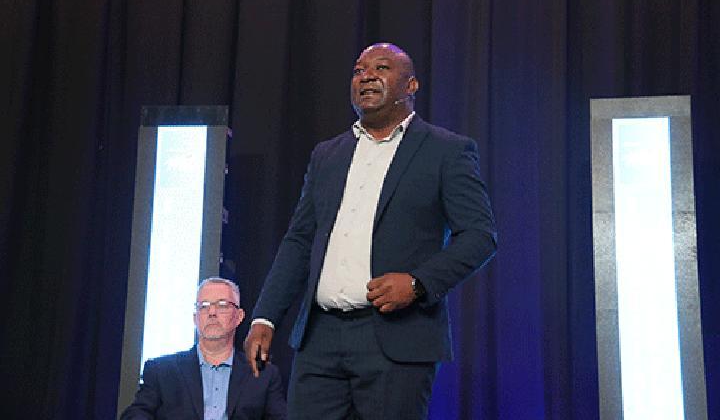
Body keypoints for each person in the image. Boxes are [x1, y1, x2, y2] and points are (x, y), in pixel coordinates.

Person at [243, 43, 497, 420]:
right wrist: (265, 317)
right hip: (319, 340)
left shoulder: (447, 150)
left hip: (396, 340)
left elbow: (480, 235)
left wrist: (417, 283)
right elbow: (299, 240)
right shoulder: (327, 155)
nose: (367, 77)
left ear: (411, 85)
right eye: (359, 71)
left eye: (381, 68)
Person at [121, 277, 287, 420]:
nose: (212, 312)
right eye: (204, 306)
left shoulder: (264, 375)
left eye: (222, 305)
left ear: (239, 316)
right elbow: (135, 414)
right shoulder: (161, 371)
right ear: (195, 318)